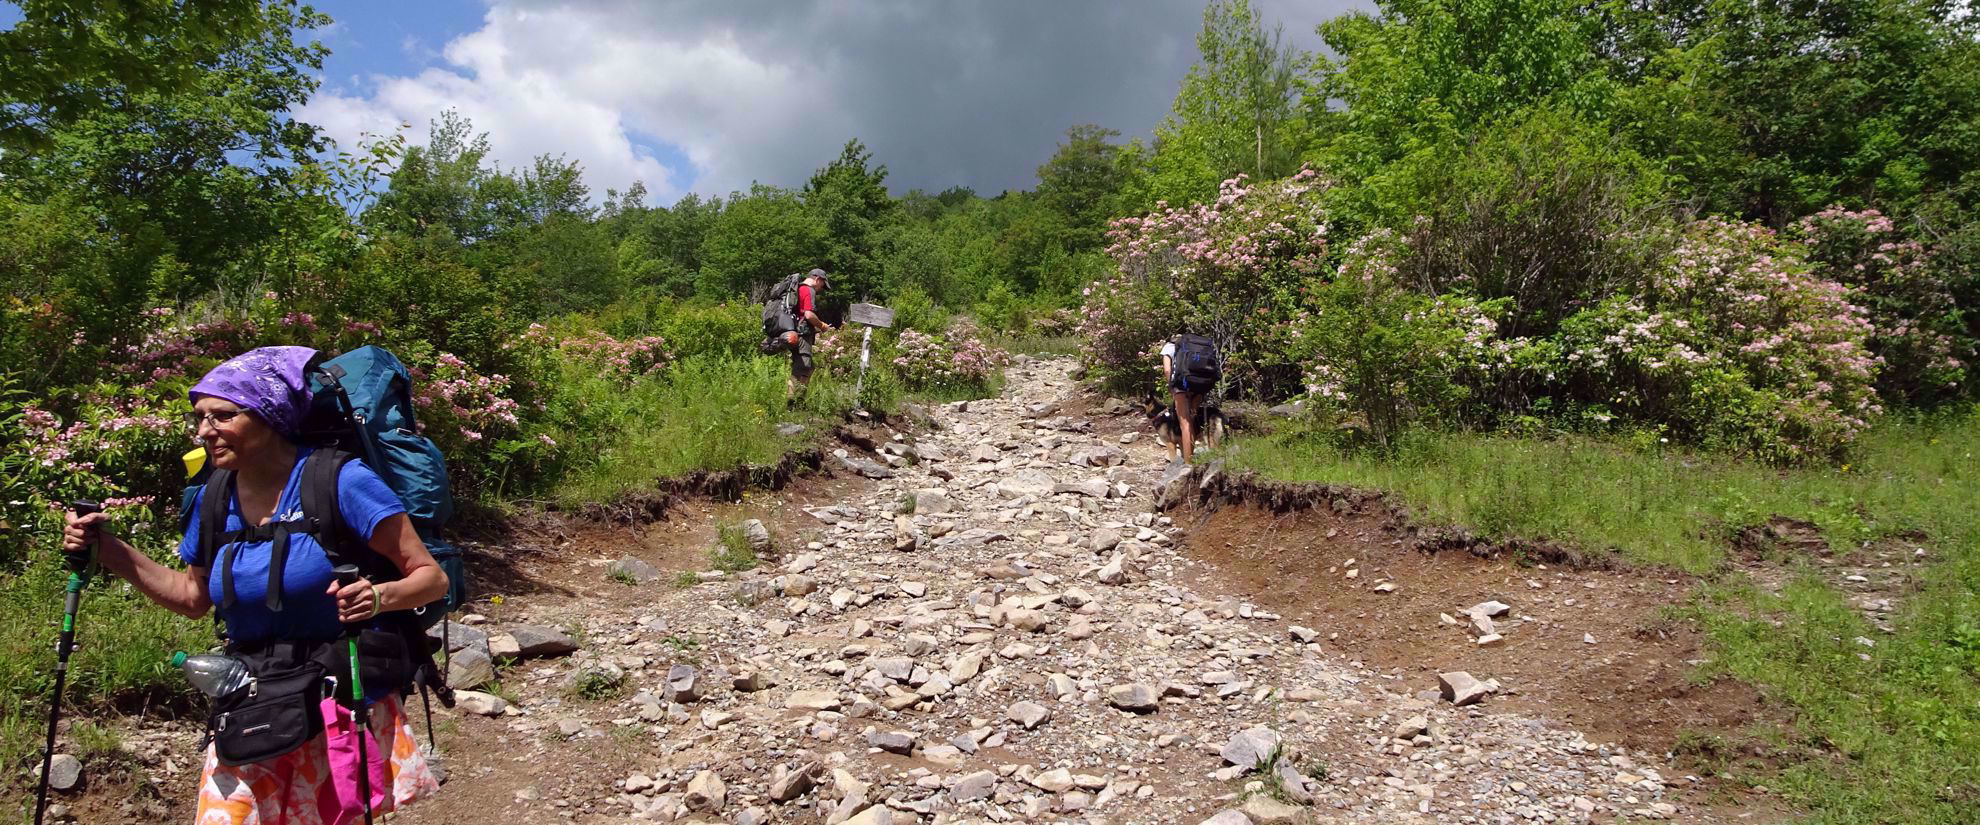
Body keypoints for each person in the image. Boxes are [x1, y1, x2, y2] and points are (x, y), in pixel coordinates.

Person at [62, 346, 446, 824]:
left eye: (222, 416)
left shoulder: (341, 480)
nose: (204, 431)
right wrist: (108, 548)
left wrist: (376, 597)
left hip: (337, 701)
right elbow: (192, 598)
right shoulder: (211, 498)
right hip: (251, 698)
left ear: (269, 415)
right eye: (200, 418)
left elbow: (431, 578)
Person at [1160, 333, 1219, 464]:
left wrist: (1171, 387)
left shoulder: (1168, 347)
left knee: (1185, 424)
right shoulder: (1193, 345)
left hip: (1182, 387)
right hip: (1200, 387)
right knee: (1191, 418)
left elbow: (1167, 370)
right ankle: (1195, 455)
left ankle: (1188, 463)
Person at [787, 267, 837, 402]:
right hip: (803, 334)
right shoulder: (808, 290)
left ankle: (797, 400)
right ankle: (794, 402)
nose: (821, 289)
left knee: (807, 367)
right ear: (817, 279)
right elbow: (808, 315)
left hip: (794, 331)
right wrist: (821, 325)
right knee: (803, 367)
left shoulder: (798, 288)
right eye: (822, 285)